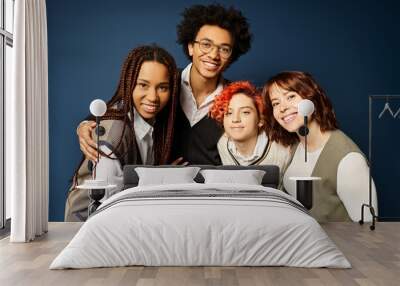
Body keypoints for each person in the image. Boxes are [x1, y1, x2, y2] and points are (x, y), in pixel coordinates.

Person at [76, 4, 253, 165]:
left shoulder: (236, 98)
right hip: (160, 189)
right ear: (191, 46)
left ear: (232, 55)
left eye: (224, 49)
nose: (214, 55)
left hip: (212, 193)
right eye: (206, 44)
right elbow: (119, 108)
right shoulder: (164, 82)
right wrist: (84, 126)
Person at [65, 45, 179, 221]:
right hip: (87, 228)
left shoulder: (151, 123)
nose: (153, 97)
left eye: (162, 87)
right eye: (143, 85)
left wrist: (162, 178)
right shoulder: (115, 136)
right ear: (129, 82)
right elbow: (106, 207)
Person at [262, 71, 377, 222]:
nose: (282, 108)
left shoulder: (349, 161)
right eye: (275, 103)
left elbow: (368, 231)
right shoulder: (296, 145)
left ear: (312, 98)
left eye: (291, 96)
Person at [209, 81, 291, 182]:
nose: (235, 119)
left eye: (245, 112)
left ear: (260, 119)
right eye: (229, 113)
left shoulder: (282, 150)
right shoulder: (223, 144)